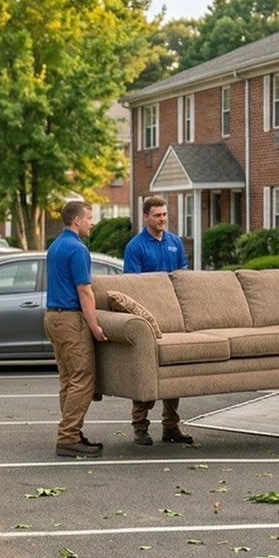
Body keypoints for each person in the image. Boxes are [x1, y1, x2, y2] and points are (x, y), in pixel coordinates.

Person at [121, 196, 195, 447]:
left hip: (173, 315)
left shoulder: (174, 242)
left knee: (172, 370)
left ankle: (171, 426)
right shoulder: (136, 246)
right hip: (148, 316)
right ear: (145, 217)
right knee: (147, 370)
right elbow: (133, 284)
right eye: (157, 215)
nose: (162, 219)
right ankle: (140, 427)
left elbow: (182, 277)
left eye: (164, 214)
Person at [45, 198, 106, 457]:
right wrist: (94, 325)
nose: (92, 223)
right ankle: (69, 436)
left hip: (52, 317)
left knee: (68, 379)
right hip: (70, 319)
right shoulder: (78, 249)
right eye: (89, 218)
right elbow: (84, 290)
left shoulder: (56, 246)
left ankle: (71, 431)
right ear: (77, 220)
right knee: (83, 378)